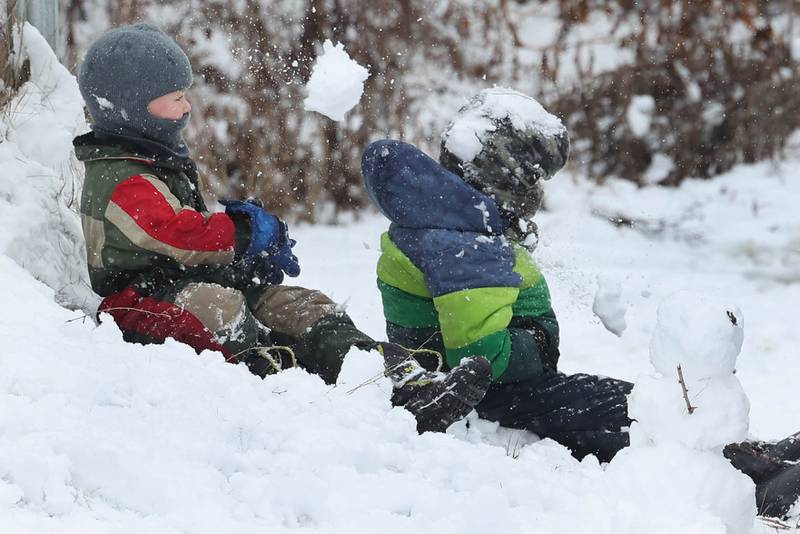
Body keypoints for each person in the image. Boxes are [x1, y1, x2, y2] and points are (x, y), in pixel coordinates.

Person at [361, 87, 800, 518]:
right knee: (625, 419)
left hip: (488, 386)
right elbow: (481, 357)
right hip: (483, 399)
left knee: (621, 401)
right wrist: (537, 342)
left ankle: (745, 453)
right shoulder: (464, 243)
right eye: (532, 176)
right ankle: (752, 484)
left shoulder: (446, 217)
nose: (536, 191)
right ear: (503, 174)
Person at [73, 23, 492, 434]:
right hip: (143, 299)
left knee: (301, 304)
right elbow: (177, 234)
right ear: (128, 107)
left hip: (189, 277)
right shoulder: (120, 179)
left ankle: (396, 378)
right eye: (176, 98)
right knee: (222, 308)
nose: (186, 108)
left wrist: (246, 260)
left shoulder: (153, 157)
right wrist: (242, 234)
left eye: (186, 96)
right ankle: (282, 386)